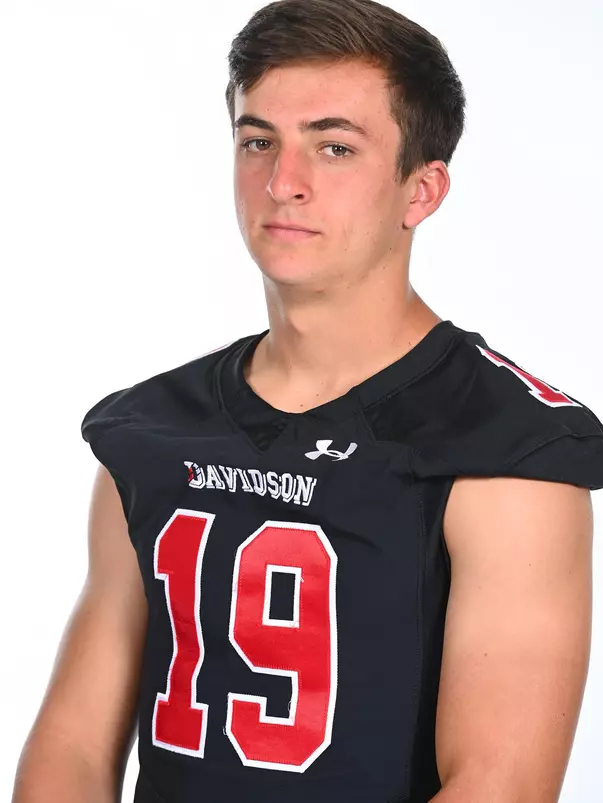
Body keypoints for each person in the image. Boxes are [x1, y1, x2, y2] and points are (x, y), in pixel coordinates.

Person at [12, 1, 603, 802]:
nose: (282, 183)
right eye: (257, 141)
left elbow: (499, 784)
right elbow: (73, 748)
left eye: (333, 147)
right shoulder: (149, 429)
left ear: (420, 190)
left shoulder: (508, 443)